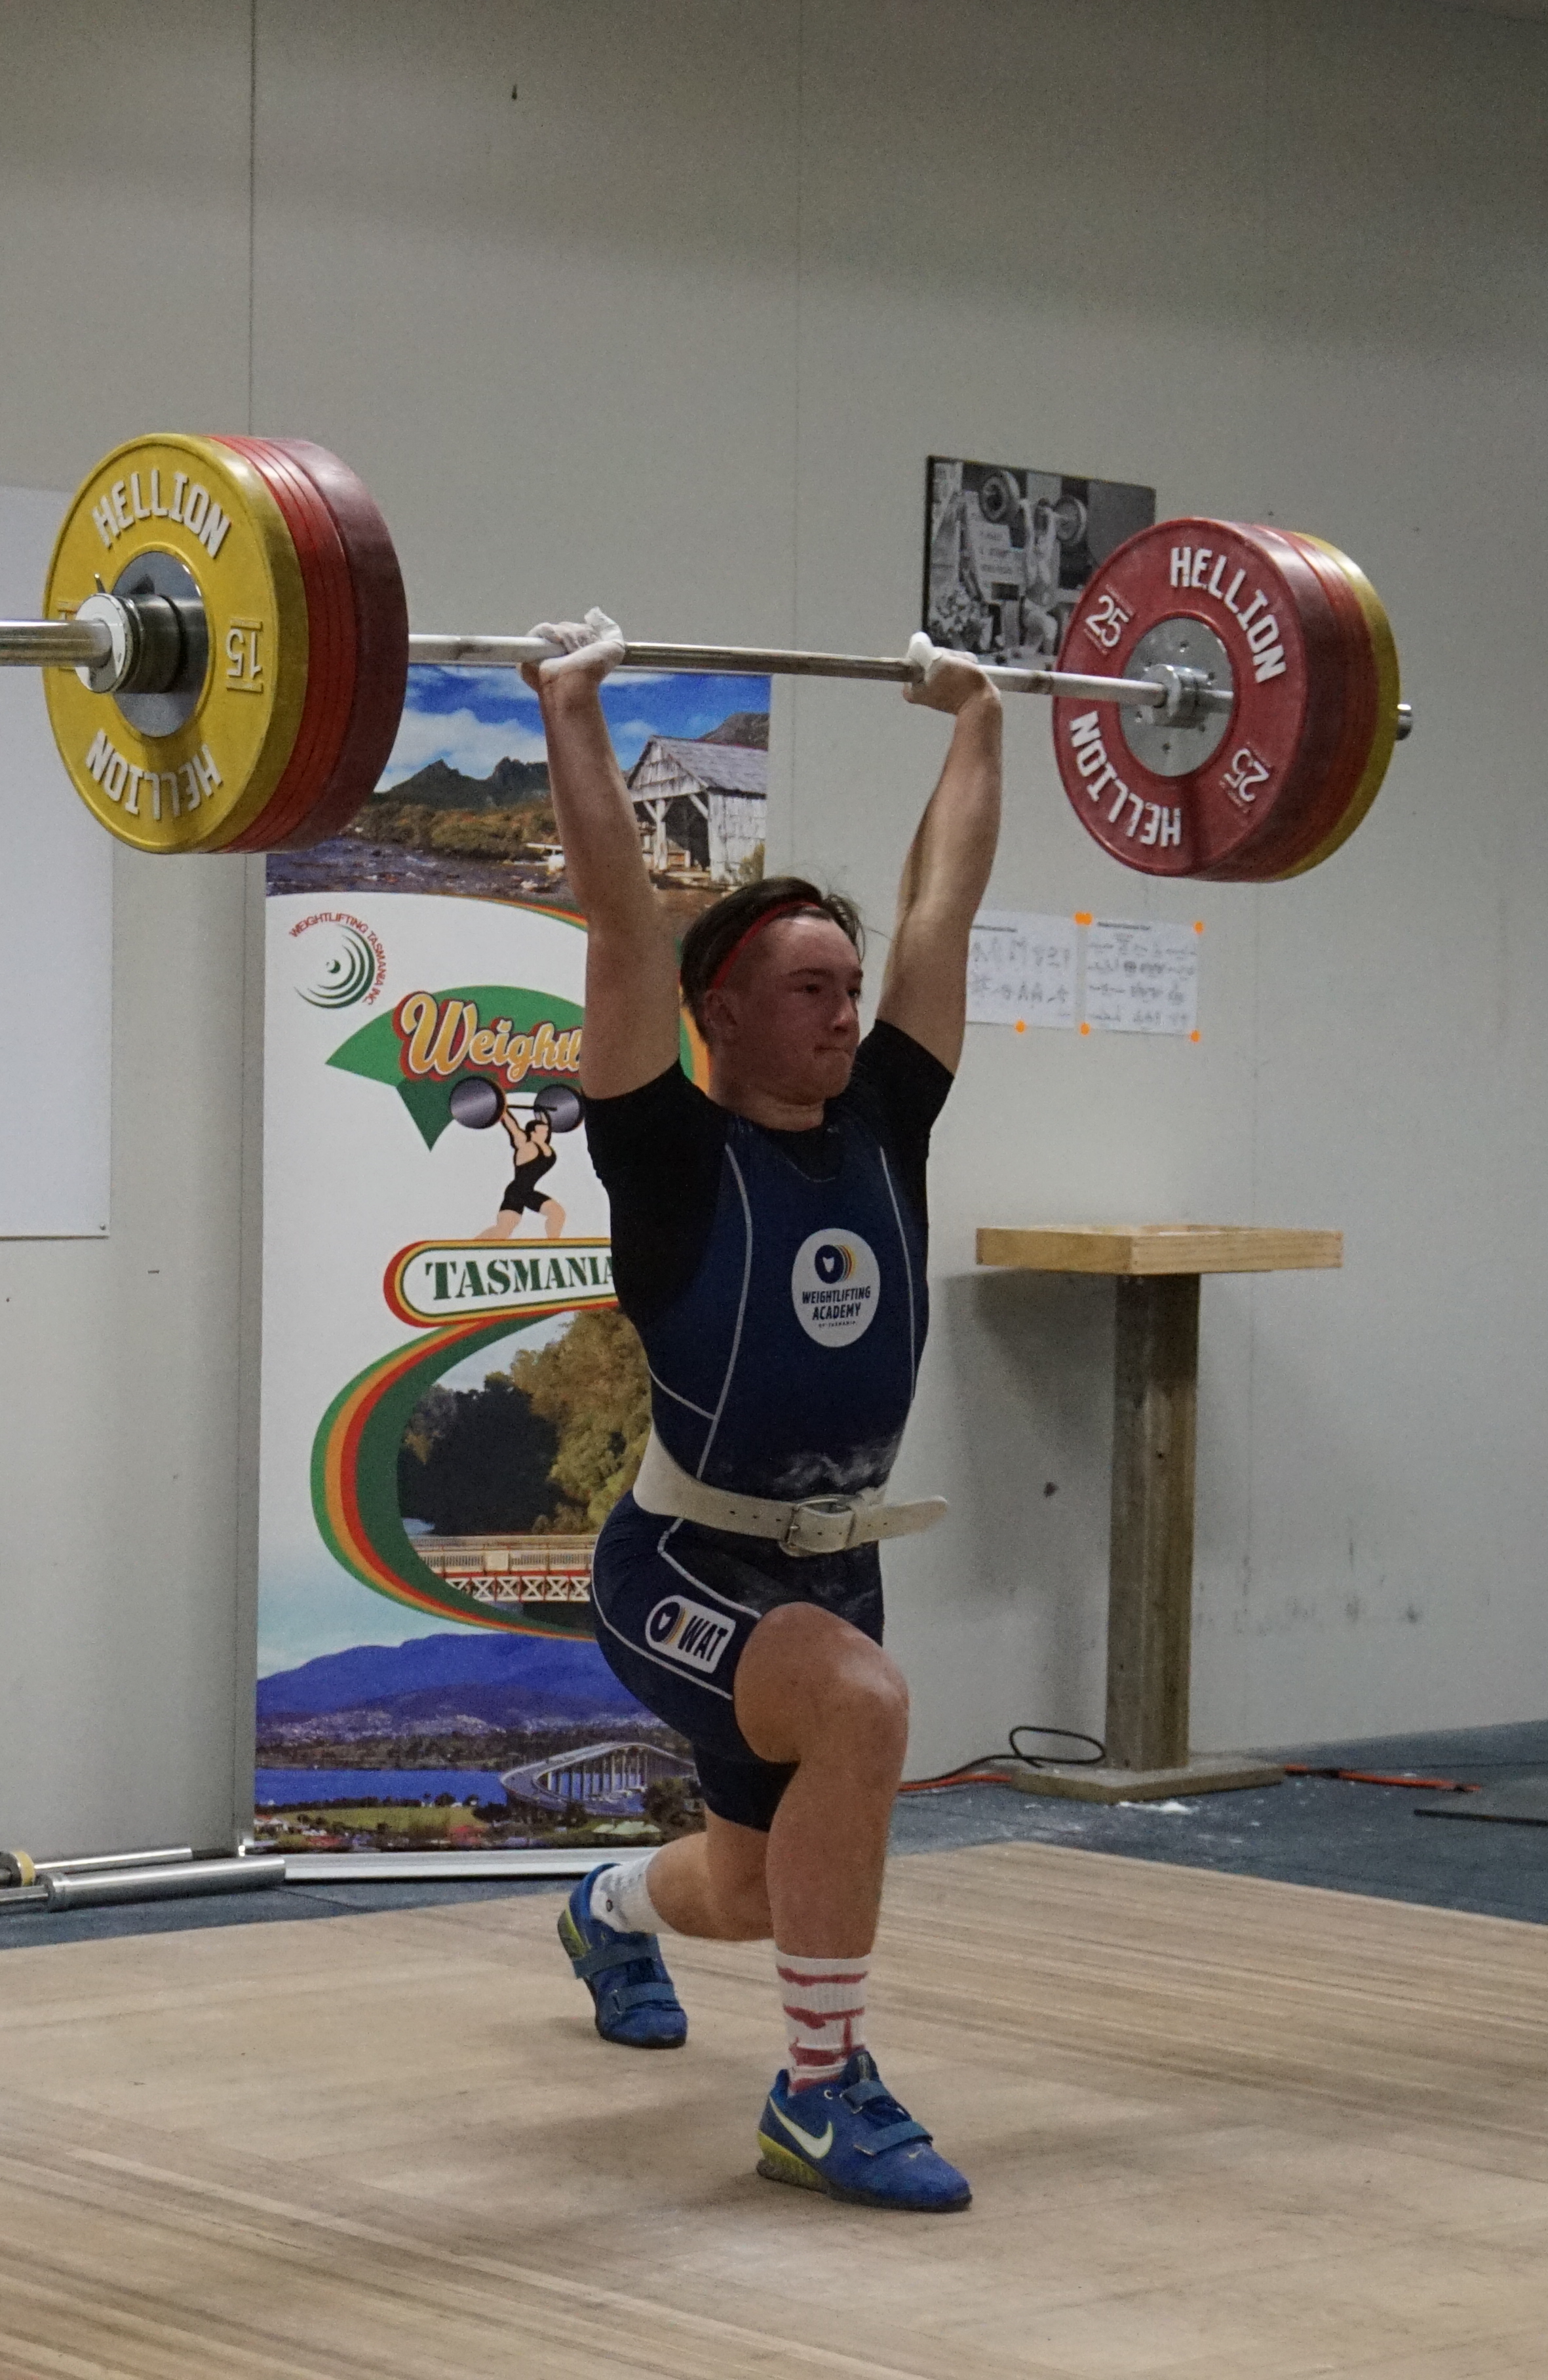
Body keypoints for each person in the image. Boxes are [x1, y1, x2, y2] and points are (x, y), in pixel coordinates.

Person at [526, 606, 999, 2215]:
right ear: (716, 1011)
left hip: (834, 1562)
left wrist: (979, 721)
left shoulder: (886, 1119)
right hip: (683, 1568)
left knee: (741, 1884)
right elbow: (616, 925)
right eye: (806, 989)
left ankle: (604, 1906)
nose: (844, 1013)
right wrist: (572, 702)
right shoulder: (662, 1150)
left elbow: (947, 902)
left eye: (851, 987)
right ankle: (816, 2093)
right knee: (861, 1707)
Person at [477, 1094, 568, 1240]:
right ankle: (474, 1245)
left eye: (546, 1130)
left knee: (557, 1214)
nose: (546, 1132)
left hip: (525, 1191)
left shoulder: (545, 1146)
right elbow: (512, 1126)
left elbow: (546, 1121)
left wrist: (542, 1111)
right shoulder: (525, 1144)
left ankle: (553, 1244)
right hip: (518, 1192)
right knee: (503, 1232)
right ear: (533, 1132)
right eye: (542, 1130)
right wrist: (502, 1109)